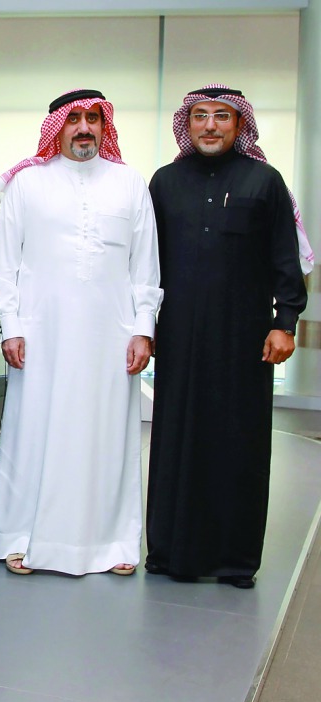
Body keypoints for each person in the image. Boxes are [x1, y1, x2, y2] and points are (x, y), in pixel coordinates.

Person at [0, 89, 162, 576]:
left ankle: (113, 543)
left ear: (105, 126)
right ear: (57, 127)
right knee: (33, 434)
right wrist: (12, 327)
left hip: (112, 336)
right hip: (41, 335)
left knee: (108, 437)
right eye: (74, 119)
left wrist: (143, 330)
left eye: (94, 118)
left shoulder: (129, 183)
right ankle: (20, 537)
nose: (84, 128)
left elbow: (145, 267)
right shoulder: (27, 184)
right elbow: (4, 268)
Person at [145, 85, 310, 589]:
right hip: (178, 337)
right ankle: (171, 555)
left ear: (239, 126)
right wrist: (143, 326)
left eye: (221, 116)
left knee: (240, 443)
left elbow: (285, 258)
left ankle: (235, 560)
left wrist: (285, 322)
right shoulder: (164, 182)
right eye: (200, 116)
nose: (210, 125)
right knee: (177, 440)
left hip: (245, 339)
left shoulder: (264, 181)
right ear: (187, 124)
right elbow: (145, 263)